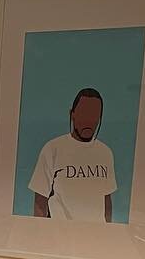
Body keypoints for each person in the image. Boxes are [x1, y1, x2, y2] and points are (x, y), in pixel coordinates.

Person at [30, 87, 118, 221]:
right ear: (72, 114)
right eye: (84, 114)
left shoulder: (105, 152)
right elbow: (40, 202)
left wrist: (107, 233)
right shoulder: (53, 149)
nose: (89, 121)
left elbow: (106, 200)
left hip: (95, 237)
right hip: (61, 237)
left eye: (94, 115)